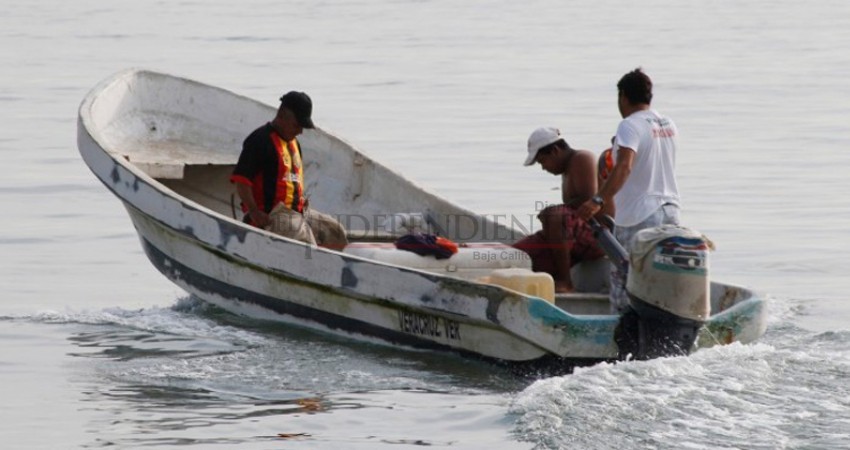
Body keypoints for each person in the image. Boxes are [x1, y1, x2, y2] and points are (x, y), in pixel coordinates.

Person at [577, 68, 682, 312]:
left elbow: (624, 166)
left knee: (624, 283)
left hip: (640, 216)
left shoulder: (629, 125)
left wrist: (597, 199)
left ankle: (622, 343)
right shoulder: (668, 124)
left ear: (623, 96)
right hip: (671, 212)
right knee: (658, 280)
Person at [230, 91, 347, 250]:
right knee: (306, 242)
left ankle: (330, 270)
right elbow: (241, 181)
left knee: (336, 232)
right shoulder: (259, 140)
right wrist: (254, 212)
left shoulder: (294, 144)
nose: (300, 131)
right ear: (283, 115)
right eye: (297, 125)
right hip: (273, 215)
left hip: (298, 213)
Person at [513, 127, 605, 293]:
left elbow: (588, 200)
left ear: (555, 151)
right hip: (575, 235)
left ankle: (565, 281)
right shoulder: (566, 171)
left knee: (555, 216)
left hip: (599, 234)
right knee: (516, 254)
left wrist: (552, 213)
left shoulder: (582, 158)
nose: (543, 168)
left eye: (542, 162)